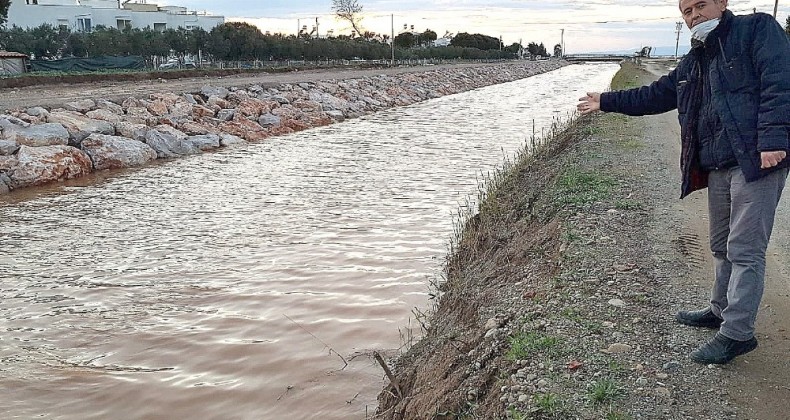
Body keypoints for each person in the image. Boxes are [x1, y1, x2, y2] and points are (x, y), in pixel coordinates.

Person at [577, 0, 790, 364]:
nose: (694, 16)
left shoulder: (756, 29)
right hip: (718, 163)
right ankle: (719, 309)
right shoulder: (695, 59)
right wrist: (606, 101)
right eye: (686, 11)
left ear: (722, 3)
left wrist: (773, 139)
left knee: (745, 248)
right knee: (721, 243)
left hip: (755, 160)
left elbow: (780, 81)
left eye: (701, 6)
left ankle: (738, 333)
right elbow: (657, 94)